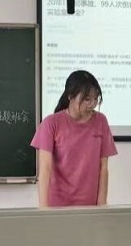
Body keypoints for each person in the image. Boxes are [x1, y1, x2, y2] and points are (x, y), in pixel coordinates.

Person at [31, 70, 117, 207]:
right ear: (70, 96)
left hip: (90, 207)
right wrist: (44, 208)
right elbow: (45, 168)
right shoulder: (51, 123)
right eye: (87, 99)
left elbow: (103, 168)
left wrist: (102, 205)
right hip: (57, 206)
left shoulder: (101, 121)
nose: (92, 104)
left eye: (96, 99)